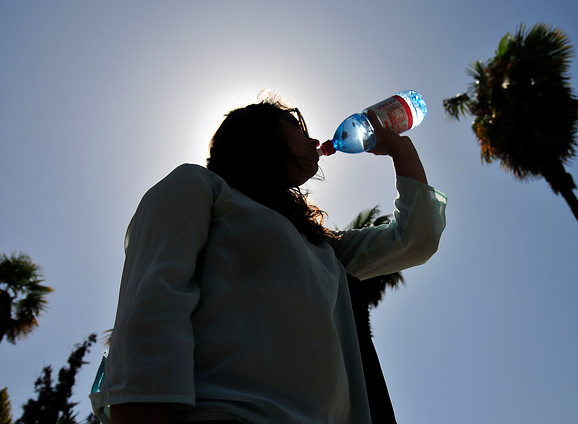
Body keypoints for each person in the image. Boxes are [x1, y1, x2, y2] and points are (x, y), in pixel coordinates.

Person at [89, 94, 447, 423]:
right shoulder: (199, 187)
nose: (311, 140)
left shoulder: (322, 248)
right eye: (297, 129)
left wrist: (399, 148)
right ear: (260, 136)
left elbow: (416, 239)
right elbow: (154, 301)